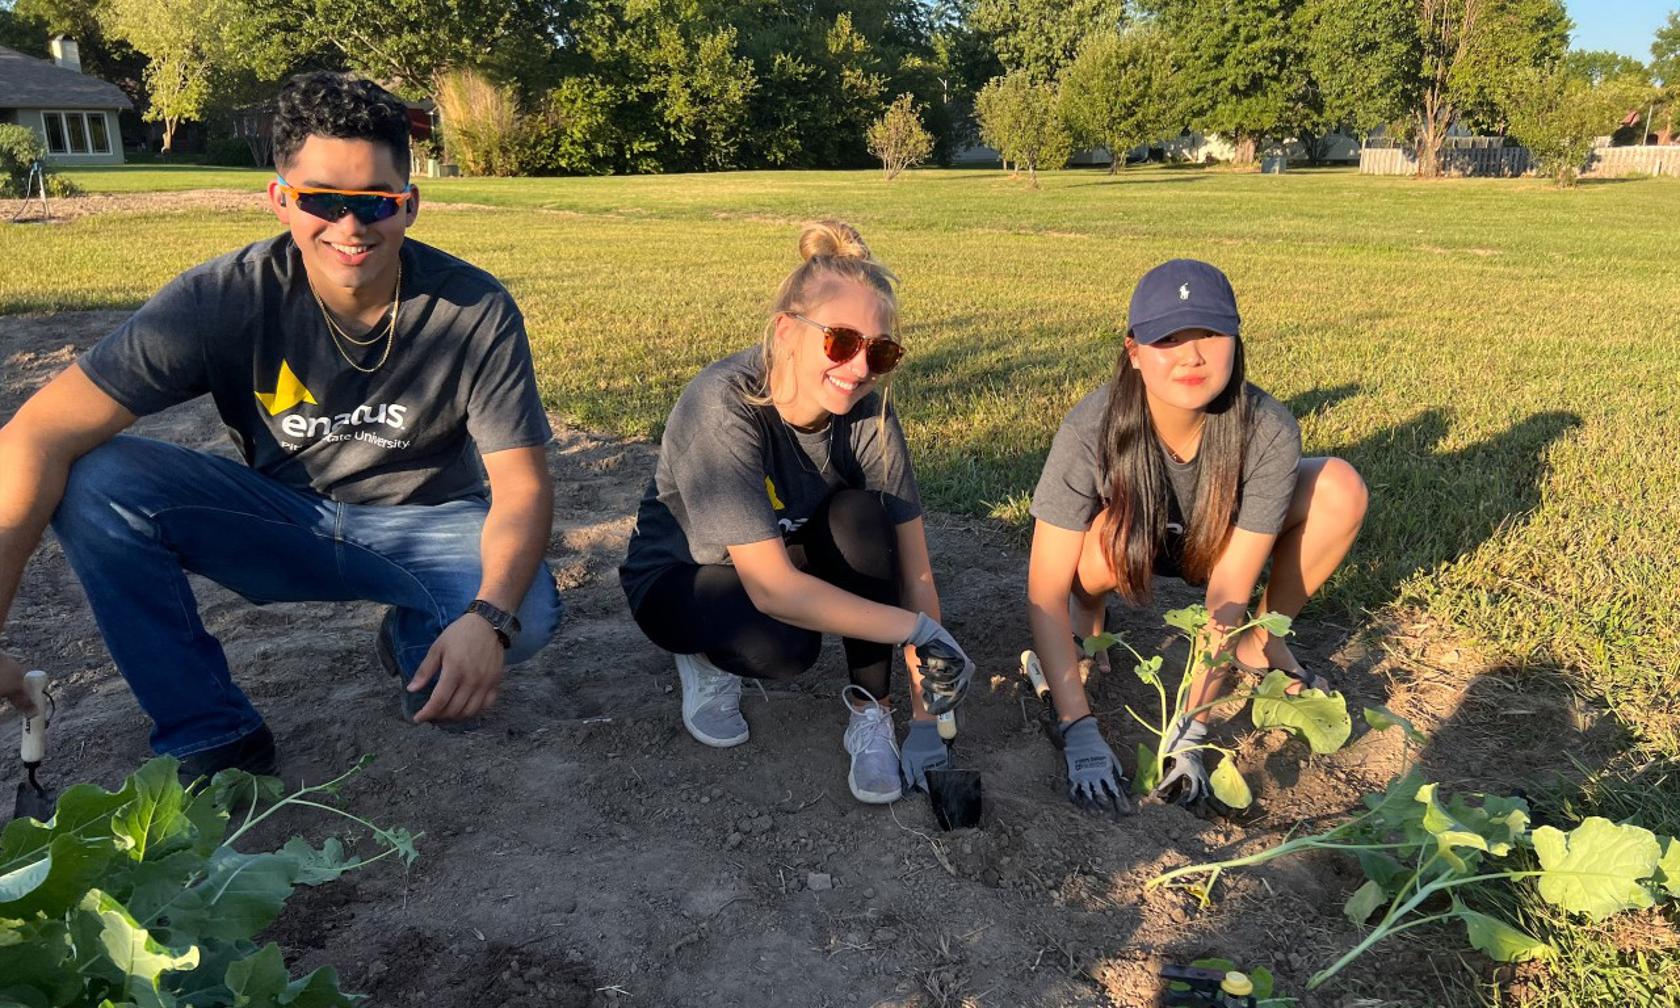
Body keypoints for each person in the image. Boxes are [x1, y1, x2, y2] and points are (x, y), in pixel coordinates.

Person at [0, 72, 563, 779]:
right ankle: (210, 731)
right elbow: (33, 435)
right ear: (280, 200)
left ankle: (415, 635)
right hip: (280, 519)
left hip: (421, 525)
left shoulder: (472, 308)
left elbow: (521, 487)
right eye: (321, 200)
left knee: (528, 614)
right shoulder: (218, 300)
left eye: (375, 203)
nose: (350, 227)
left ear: (411, 205)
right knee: (97, 480)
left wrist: (490, 619)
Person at [619, 220, 974, 806]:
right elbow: (774, 590)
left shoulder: (868, 414)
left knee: (864, 519)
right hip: (685, 577)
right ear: (787, 331)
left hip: (781, 556)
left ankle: (871, 712)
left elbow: (915, 571)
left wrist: (924, 720)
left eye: (880, 352)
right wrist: (918, 631)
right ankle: (705, 660)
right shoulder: (722, 403)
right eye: (840, 342)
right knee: (783, 645)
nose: (859, 368)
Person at [1025, 259, 1368, 813]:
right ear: (1134, 352)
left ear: (1236, 339)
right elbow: (1042, 588)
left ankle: (1262, 642)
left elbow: (1228, 589)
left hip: (1220, 539)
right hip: (1127, 540)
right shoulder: (1091, 425)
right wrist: (1078, 728)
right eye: (1168, 338)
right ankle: (1087, 619)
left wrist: (1190, 729)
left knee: (1340, 486)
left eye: (1208, 333)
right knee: (1101, 546)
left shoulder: (1268, 427)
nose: (1191, 355)